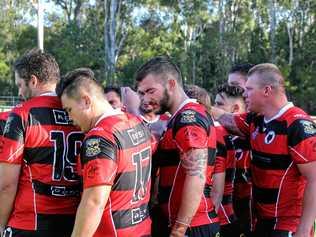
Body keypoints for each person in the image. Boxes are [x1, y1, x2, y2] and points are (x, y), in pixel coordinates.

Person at [212, 63, 316, 237]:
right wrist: (197, 105)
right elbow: (226, 118)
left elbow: (314, 179)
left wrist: (304, 229)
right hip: (259, 221)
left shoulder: (297, 125)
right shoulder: (255, 120)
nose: (244, 94)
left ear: (267, 91)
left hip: (288, 223)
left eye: (249, 89)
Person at [56, 68, 153, 237]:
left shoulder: (100, 138)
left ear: (86, 101)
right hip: (142, 229)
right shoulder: (136, 122)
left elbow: (94, 203)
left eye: (69, 110)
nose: (69, 119)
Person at [0, 49, 84, 237]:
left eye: (20, 85)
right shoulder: (81, 110)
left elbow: (6, 184)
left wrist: (1, 224)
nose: (20, 92)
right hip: (76, 219)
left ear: (33, 80)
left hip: (31, 220)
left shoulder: (22, 114)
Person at [135, 56, 220, 237]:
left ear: (171, 84)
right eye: (141, 93)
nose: (145, 99)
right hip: (186, 224)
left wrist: (179, 230)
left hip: (192, 227)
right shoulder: (179, 118)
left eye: (151, 91)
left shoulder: (188, 119)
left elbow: (196, 175)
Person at [214, 83, 252, 236]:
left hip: (251, 216)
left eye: (219, 104)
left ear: (235, 109)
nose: (214, 108)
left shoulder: (256, 137)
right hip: (228, 216)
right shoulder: (216, 136)